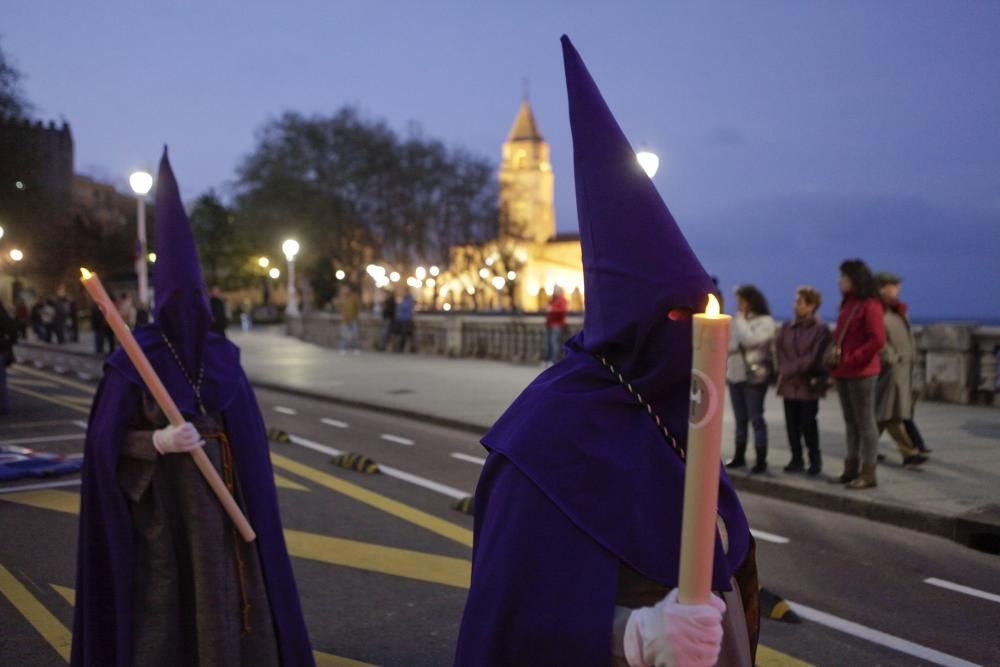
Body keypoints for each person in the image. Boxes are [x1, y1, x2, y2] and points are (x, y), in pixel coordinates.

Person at [455, 37, 758, 667]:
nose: (692, 338)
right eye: (678, 318)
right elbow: (512, 613)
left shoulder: (671, 413)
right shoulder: (545, 433)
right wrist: (633, 636)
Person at [71, 150, 314, 667]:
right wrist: (155, 441)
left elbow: (247, 439)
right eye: (176, 299)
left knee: (235, 601)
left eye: (195, 299)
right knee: (166, 605)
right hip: (164, 518)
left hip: (229, 517)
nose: (188, 310)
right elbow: (103, 446)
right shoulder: (133, 360)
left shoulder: (224, 359)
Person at [828, 259, 886, 490]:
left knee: (865, 422)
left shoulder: (870, 305)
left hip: (861, 372)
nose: (839, 281)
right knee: (851, 421)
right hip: (844, 370)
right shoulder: (848, 303)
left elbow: (878, 340)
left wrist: (853, 359)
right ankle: (850, 468)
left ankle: (868, 472)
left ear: (854, 279)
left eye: (843, 277)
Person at [775, 286, 832, 476]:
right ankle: (796, 458)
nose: (795, 306)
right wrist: (785, 368)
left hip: (808, 385)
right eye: (795, 301)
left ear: (811, 305)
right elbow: (780, 350)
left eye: (799, 302)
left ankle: (815, 461)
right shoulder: (787, 327)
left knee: (808, 424)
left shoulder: (821, 329)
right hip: (789, 385)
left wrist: (789, 369)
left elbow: (815, 357)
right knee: (791, 424)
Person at [874, 272, 928, 468]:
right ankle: (909, 453)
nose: (894, 291)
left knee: (882, 413)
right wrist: (891, 358)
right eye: (889, 287)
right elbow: (877, 339)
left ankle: (866, 449)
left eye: (896, 287)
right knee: (891, 412)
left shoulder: (899, 311)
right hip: (889, 369)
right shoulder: (877, 310)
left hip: (903, 369)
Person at [725, 285, 776, 474]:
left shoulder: (765, 321)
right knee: (740, 418)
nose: (739, 305)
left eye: (741, 301)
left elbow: (750, 340)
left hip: (754, 375)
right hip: (735, 374)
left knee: (756, 417)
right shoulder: (738, 321)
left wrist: (740, 322)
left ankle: (761, 459)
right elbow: (729, 344)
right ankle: (739, 455)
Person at [543, 285, 568, 367]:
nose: (555, 291)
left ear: (560, 291)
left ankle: (554, 361)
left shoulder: (563, 300)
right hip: (549, 323)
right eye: (554, 290)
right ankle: (547, 359)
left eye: (556, 290)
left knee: (554, 342)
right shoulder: (552, 299)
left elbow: (563, 310)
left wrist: (552, 309)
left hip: (557, 324)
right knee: (548, 343)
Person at [0, 301, 17, 414]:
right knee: (1, 379)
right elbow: (12, 330)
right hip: (2, 349)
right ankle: (3, 404)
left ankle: (3, 404)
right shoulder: (4, 314)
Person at [336, 284, 361, 354]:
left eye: (346, 288)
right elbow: (339, 307)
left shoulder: (353, 297)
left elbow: (357, 307)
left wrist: (356, 316)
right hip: (344, 319)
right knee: (343, 335)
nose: (345, 290)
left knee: (355, 335)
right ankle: (343, 348)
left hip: (353, 319)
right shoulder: (342, 298)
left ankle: (355, 348)